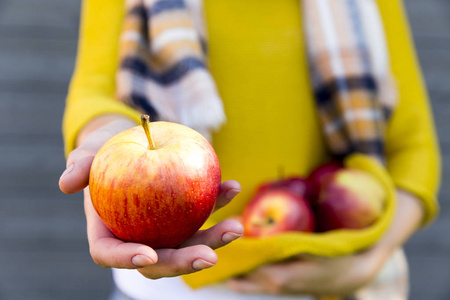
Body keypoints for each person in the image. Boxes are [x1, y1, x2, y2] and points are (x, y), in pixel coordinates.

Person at [59, 0, 440, 299]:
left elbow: (414, 149)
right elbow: (93, 91)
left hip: (328, 285)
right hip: (163, 292)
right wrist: (102, 137)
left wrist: (371, 260)